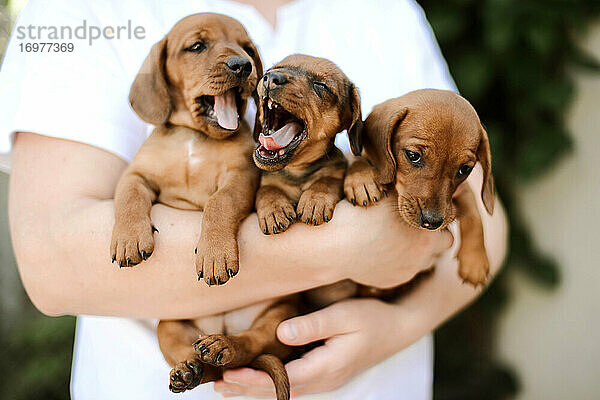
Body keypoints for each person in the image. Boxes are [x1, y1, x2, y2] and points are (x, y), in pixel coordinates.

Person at [0, 0, 508, 399]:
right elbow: (49, 258)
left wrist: (401, 324)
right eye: (199, 47)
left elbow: (476, 203)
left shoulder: (391, 11)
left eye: (246, 52)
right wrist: (346, 248)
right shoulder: (80, 9)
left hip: (384, 383)